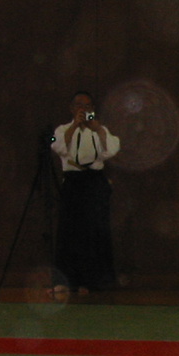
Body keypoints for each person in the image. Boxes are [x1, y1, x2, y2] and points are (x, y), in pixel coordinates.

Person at [50, 91, 120, 295]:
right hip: (73, 182)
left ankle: (91, 281)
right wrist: (74, 126)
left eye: (88, 106)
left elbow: (112, 149)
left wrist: (98, 129)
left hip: (94, 181)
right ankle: (66, 280)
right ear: (72, 108)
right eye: (79, 105)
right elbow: (56, 145)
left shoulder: (100, 130)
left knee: (94, 232)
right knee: (69, 231)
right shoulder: (61, 129)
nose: (84, 109)